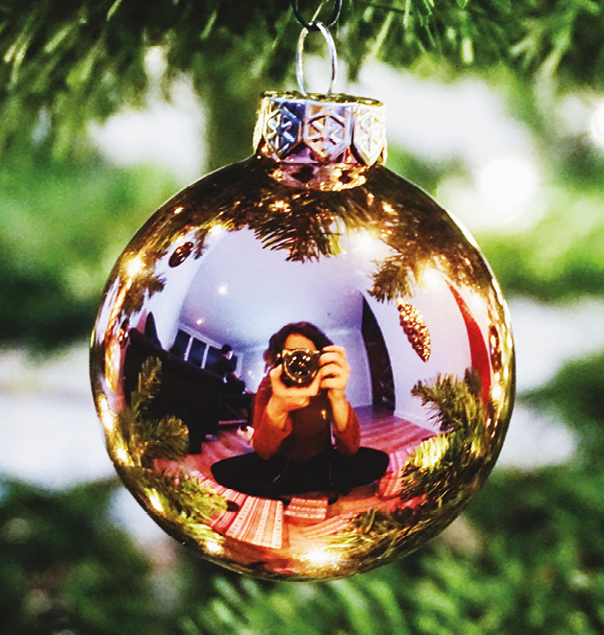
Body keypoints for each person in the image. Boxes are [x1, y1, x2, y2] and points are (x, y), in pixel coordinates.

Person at [211, 322, 388, 499]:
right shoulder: (268, 386)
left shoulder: (326, 384)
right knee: (222, 470)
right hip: (280, 463)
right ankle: (312, 484)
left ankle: (287, 488)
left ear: (320, 358)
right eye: (293, 356)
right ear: (281, 360)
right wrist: (277, 408)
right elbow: (264, 452)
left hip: (323, 461)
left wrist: (337, 398)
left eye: (308, 356)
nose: (301, 363)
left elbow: (349, 449)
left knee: (378, 461)